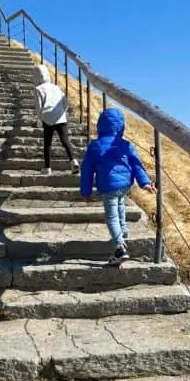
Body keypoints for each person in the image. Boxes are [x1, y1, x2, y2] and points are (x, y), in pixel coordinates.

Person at [80, 108, 155, 265]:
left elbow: (86, 170)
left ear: (100, 125)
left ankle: (120, 247)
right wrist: (145, 183)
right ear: (121, 126)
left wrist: (86, 191)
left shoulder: (95, 146)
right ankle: (124, 235)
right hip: (125, 185)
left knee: (112, 216)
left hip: (108, 186)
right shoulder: (126, 145)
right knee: (120, 208)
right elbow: (137, 165)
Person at [33, 64, 79, 176]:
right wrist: (63, 112)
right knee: (65, 141)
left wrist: (40, 117)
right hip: (60, 117)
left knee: (47, 144)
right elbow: (65, 102)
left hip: (47, 117)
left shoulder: (38, 89)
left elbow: (39, 107)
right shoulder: (56, 87)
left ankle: (47, 168)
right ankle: (73, 162)